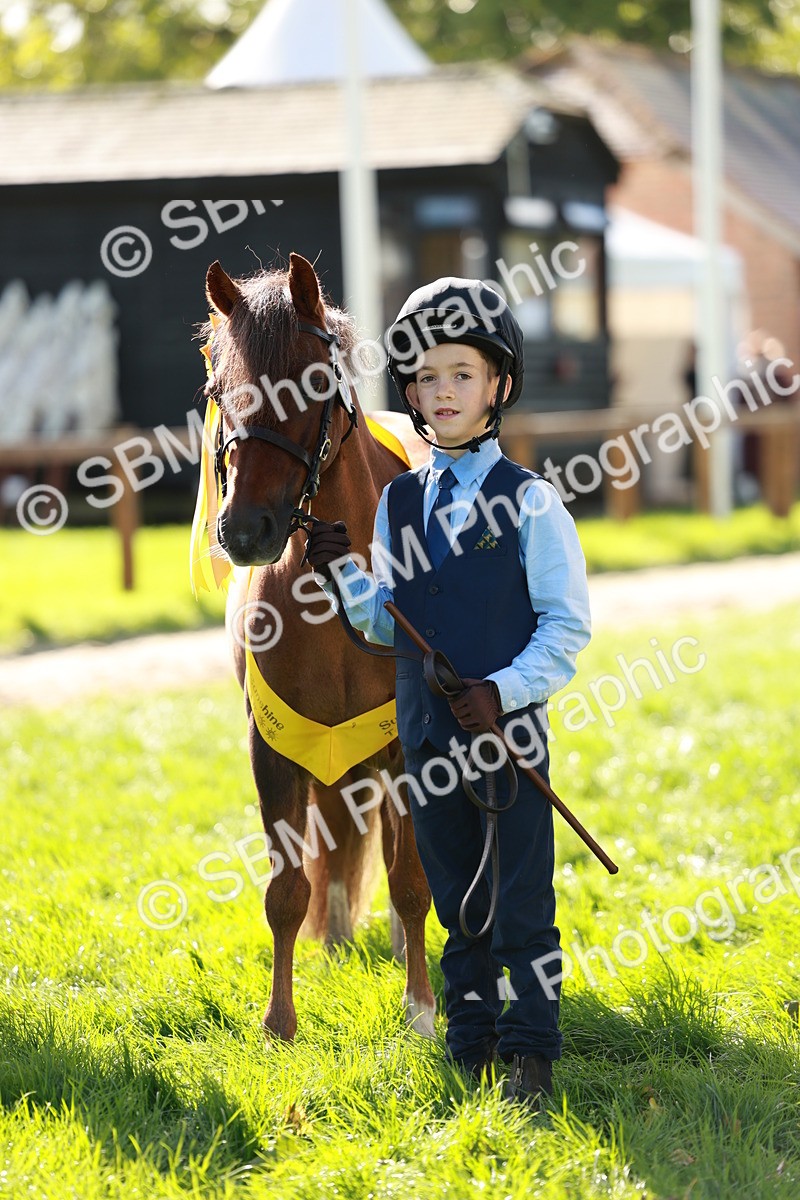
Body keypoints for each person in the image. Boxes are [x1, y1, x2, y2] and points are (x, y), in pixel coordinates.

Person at [306, 277, 591, 1108]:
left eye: (461, 374)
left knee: (519, 901)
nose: (443, 392)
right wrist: (344, 572)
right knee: (456, 899)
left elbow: (566, 628)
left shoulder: (531, 502)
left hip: (506, 739)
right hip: (427, 738)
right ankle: (471, 1043)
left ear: (498, 385)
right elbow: (391, 622)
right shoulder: (400, 500)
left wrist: (503, 691)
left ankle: (530, 1052)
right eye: (426, 377)